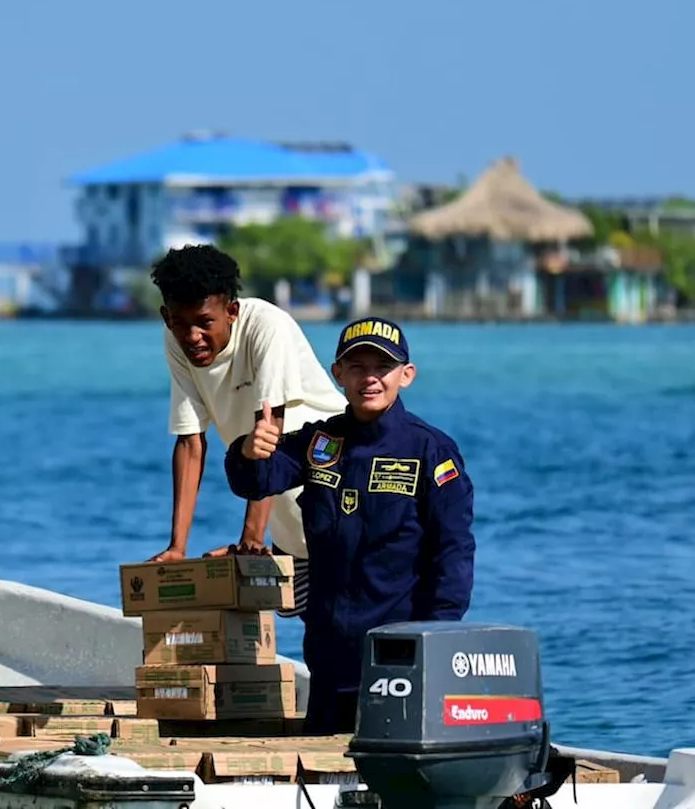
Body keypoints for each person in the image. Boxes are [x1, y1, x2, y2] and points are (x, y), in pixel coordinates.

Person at [223, 315, 475, 735]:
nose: (370, 378)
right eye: (357, 367)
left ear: (406, 375)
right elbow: (257, 480)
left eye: (383, 367)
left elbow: (454, 551)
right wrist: (249, 450)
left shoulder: (430, 450)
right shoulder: (321, 441)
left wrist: (438, 638)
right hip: (327, 655)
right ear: (337, 373)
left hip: (399, 658)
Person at [146, 243, 349, 625]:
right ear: (165, 317)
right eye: (178, 322)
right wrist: (177, 548)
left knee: (351, 630)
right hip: (288, 527)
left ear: (232, 312)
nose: (192, 336)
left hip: (339, 505)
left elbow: (270, 433)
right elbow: (190, 442)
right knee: (314, 634)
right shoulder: (177, 342)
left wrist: (251, 540)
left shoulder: (267, 326)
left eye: (204, 322)